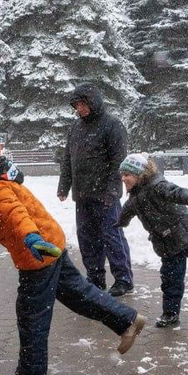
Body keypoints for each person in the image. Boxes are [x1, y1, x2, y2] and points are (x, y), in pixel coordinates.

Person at [0, 132, 145, 375]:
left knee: (31, 314)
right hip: (50, 244)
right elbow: (10, 215)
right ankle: (127, 320)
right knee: (78, 294)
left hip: (38, 253)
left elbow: (16, 214)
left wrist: (30, 238)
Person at [117, 153, 188, 328]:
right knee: (171, 279)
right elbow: (126, 211)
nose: (123, 179)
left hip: (186, 233)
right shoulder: (134, 197)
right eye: (122, 175)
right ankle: (170, 314)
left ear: (138, 174)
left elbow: (176, 192)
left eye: (126, 175)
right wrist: (118, 224)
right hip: (166, 243)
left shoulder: (157, 186)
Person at [57, 82, 133, 296]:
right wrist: (64, 186)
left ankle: (123, 279)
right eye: (76, 105)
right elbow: (68, 159)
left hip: (105, 195)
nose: (79, 109)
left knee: (112, 236)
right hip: (82, 195)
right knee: (87, 238)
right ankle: (95, 277)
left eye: (82, 104)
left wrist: (111, 190)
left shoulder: (112, 126)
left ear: (93, 102)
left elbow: (118, 161)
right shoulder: (75, 128)